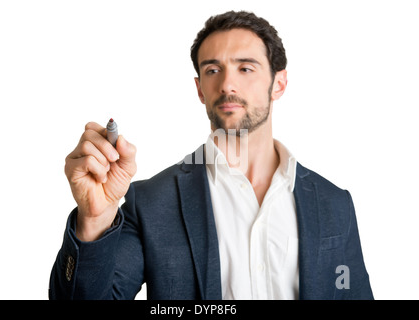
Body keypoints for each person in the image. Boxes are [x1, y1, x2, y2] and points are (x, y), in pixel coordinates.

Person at [49, 11, 373, 300]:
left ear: (279, 84)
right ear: (200, 88)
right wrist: (93, 219)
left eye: (246, 68)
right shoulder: (150, 202)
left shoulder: (335, 203)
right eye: (213, 69)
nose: (228, 84)